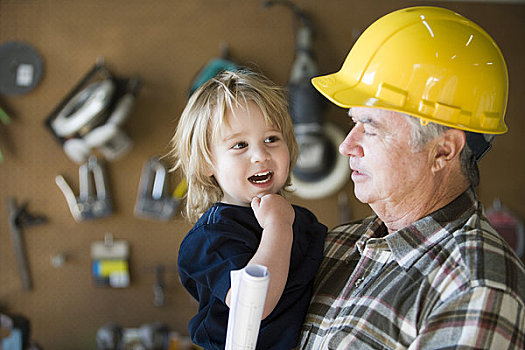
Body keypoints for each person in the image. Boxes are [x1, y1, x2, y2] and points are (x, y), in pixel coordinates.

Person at [298, 6, 525, 349]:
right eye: (353, 123)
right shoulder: (338, 246)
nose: (347, 146)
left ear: (443, 151)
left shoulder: (475, 287)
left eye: (371, 129)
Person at [170, 69, 327, 349]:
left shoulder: (302, 220)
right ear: (207, 163)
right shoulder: (211, 239)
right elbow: (254, 303)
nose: (260, 155)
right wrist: (278, 227)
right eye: (239, 145)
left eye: (272, 139)